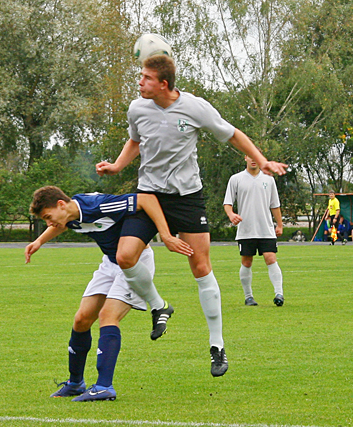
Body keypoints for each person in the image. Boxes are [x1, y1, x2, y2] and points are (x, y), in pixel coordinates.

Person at [95, 54, 287, 377]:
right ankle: (158, 305)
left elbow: (233, 134)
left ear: (163, 84)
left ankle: (217, 346)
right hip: (149, 196)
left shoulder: (195, 107)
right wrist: (117, 166)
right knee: (125, 256)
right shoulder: (137, 108)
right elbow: (135, 141)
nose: (139, 82)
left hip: (187, 199)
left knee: (200, 267)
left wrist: (262, 160)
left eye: (146, 78)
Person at [25, 186, 192, 401]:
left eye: (48, 217)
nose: (49, 223)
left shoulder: (99, 206)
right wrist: (39, 241)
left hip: (134, 264)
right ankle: (75, 383)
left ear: (61, 204)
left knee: (108, 316)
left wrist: (166, 236)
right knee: (81, 320)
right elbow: (62, 225)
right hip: (110, 264)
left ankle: (104, 386)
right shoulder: (69, 215)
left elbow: (146, 200)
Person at [223, 154, 285, 307]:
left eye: (255, 157)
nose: (253, 160)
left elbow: (275, 204)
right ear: (245, 158)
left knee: (271, 258)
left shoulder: (269, 179)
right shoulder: (236, 179)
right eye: (250, 156)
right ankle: (248, 297)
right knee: (246, 261)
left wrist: (279, 224)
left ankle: (279, 294)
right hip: (246, 229)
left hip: (266, 229)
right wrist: (231, 215)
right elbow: (228, 203)